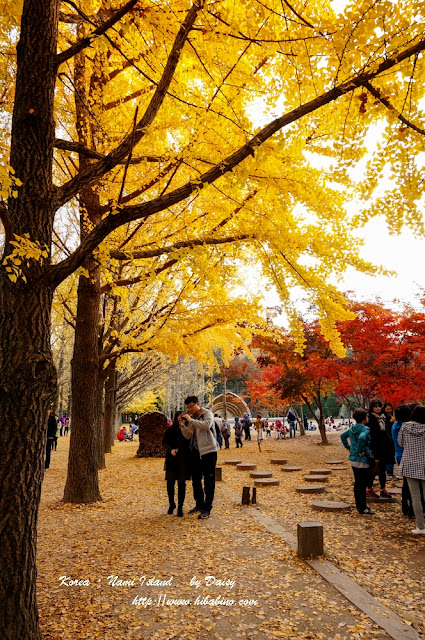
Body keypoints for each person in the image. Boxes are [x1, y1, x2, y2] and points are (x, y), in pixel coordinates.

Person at [181, 395, 218, 520]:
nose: (190, 409)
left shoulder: (207, 413)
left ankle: (207, 508)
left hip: (208, 451)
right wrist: (183, 426)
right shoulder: (192, 418)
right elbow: (187, 436)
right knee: (196, 479)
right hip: (195, 451)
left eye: (192, 406)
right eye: (188, 407)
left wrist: (191, 421)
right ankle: (199, 504)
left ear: (198, 404)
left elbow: (207, 425)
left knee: (209, 480)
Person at [341, 409, 374, 515]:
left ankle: (359, 505)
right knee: (363, 483)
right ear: (364, 418)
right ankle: (362, 507)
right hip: (362, 459)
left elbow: (342, 436)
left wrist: (349, 447)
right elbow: (361, 437)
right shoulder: (365, 429)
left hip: (353, 459)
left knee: (358, 483)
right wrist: (361, 450)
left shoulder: (352, 428)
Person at [397, 405, 425, 535]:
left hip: (409, 464)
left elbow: (400, 443)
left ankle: (421, 526)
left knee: (415, 497)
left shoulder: (404, 426)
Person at [392, 404, 418, 518]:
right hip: (407, 456)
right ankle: (409, 508)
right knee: (410, 484)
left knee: (406, 483)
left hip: (399, 455)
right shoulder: (404, 427)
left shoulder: (396, 425)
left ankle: (406, 507)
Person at [162, 411, 190, 516]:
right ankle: (171, 504)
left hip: (183, 459)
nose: (181, 418)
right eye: (179, 416)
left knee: (182, 483)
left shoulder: (187, 429)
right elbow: (165, 441)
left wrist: (184, 427)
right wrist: (171, 449)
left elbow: (188, 441)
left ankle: (180, 507)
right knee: (170, 483)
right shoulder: (170, 430)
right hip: (172, 459)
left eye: (183, 416)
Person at [366, 400, 394, 499]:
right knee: (373, 469)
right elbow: (370, 435)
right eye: (375, 406)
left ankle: (383, 489)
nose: (378, 408)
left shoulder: (384, 417)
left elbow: (386, 432)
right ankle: (369, 489)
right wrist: (370, 449)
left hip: (384, 447)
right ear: (372, 408)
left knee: (383, 469)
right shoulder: (370, 418)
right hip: (374, 448)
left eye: (379, 406)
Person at [383, 402, 396, 478]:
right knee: (388, 455)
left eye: (390, 409)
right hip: (386, 439)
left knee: (392, 455)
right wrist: (390, 421)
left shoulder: (390, 416)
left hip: (392, 438)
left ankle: (391, 472)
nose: (389, 410)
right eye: (387, 409)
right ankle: (388, 472)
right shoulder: (383, 417)